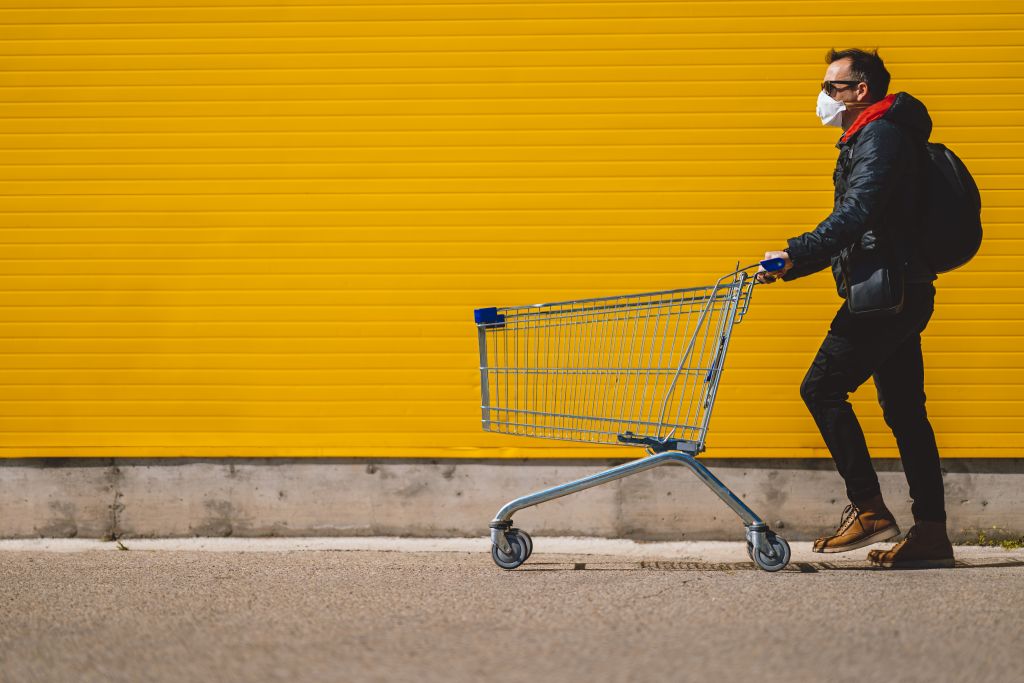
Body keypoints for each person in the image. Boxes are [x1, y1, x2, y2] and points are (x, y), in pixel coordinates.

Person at [756, 48, 954, 569]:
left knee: (821, 388)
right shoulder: (872, 135)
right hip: (894, 289)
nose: (823, 96)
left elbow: (858, 211)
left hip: (886, 298)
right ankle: (931, 533)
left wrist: (795, 249)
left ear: (859, 90)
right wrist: (796, 267)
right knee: (907, 413)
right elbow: (864, 229)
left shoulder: (880, 136)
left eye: (831, 86)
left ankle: (868, 508)